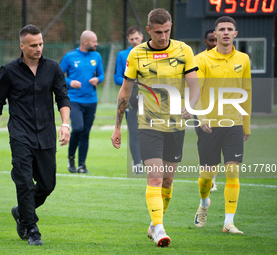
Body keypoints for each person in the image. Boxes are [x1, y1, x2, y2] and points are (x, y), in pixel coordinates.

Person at [111, 8, 200, 247]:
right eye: (158, 32)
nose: (163, 36)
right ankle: (160, 229)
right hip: (148, 123)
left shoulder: (184, 50)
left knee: (168, 181)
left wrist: (191, 106)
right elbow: (125, 91)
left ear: (171, 27)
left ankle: (153, 223)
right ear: (148, 30)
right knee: (154, 177)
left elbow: (194, 86)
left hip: (175, 124)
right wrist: (117, 126)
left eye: (167, 31)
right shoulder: (137, 54)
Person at [0, 24, 70, 245]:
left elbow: (62, 97)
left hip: (46, 135)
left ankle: (21, 211)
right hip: (20, 135)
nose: (39, 48)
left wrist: (65, 124)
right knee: (23, 182)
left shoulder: (53, 68)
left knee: (47, 185)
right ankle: (32, 229)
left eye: (41, 43)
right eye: (33, 45)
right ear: (22, 46)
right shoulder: (9, 70)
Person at [193, 16, 251, 234]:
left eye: (230, 29)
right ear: (214, 35)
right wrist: (202, 117)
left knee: (233, 172)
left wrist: (246, 125)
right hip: (208, 124)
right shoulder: (202, 60)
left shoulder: (244, 59)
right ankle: (204, 203)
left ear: (235, 34)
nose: (226, 32)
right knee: (207, 176)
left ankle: (228, 222)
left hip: (234, 123)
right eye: (222, 29)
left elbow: (247, 92)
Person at [60, 30, 104, 174]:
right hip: (74, 100)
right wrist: (70, 82)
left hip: (91, 100)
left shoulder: (96, 56)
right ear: (85, 42)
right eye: (94, 41)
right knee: (77, 128)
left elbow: (102, 74)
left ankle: (82, 165)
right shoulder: (70, 56)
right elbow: (58, 75)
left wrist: (98, 79)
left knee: (85, 133)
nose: (96, 44)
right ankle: (71, 158)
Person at [114, 26, 144, 174]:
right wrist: (132, 81)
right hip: (131, 100)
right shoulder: (122, 55)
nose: (134, 41)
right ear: (128, 40)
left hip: (150, 99)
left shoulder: (149, 53)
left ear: (142, 37)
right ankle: (137, 163)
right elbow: (117, 77)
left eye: (136, 38)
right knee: (134, 132)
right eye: (131, 39)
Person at [195, 29, 218, 192]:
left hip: (223, 111)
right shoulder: (198, 60)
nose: (215, 43)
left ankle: (212, 179)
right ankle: (207, 178)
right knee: (205, 146)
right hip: (202, 111)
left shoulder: (230, 60)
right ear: (205, 42)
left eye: (216, 40)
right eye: (211, 40)